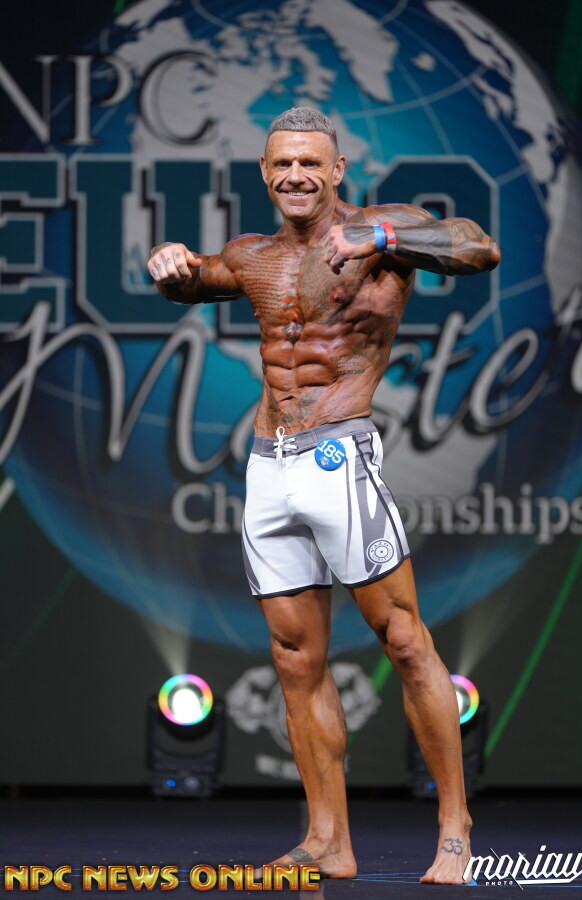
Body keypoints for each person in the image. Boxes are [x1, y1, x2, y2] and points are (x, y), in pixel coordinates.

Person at [148, 107, 500, 885]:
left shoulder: (383, 231)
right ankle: (326, 839)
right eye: (283, 164)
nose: (297, 176)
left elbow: (478, 247)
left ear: (337, 169)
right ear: (266, 173)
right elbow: (197, 280)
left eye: (312, 163)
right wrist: (171, 265)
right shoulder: (255, 255)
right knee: (294, 658)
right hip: (268, 468)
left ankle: (454, 826)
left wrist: (382, 239)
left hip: (340, 456)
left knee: (403, 641)